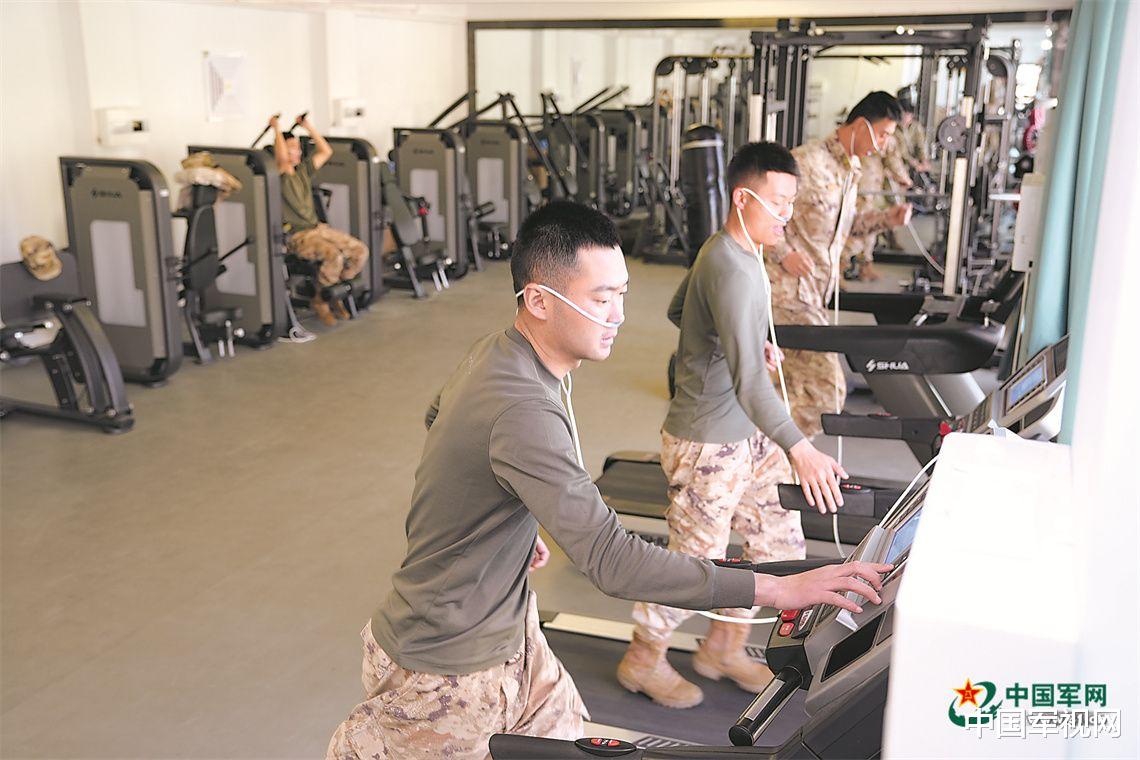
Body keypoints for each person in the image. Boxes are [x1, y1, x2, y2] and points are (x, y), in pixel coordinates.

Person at [325, 201, 892, 759]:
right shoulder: (521, 406)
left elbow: (439, 418)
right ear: (539, 301)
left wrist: (514, 519)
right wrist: (777, 589)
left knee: (568, 740)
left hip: (513, 636)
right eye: (601, 299)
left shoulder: (500, 352)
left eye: (622, 294)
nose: (618, 315)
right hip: (447, 668)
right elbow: (612, 561)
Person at [618, 143, 849, 709]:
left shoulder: (730, 250)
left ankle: (723, 647)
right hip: (708, 443)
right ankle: (642, 659)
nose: (788, 215)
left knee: (777, 538)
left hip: (746, 436)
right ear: (743, 198)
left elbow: (680, 311)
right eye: (779, 202)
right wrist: (801, 449)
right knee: (696, 564)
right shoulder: (733, 270)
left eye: (792, 202)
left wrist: (741, 340)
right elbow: (750, 386)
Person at [765, 91, 913, 440]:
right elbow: (759, 213)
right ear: (861, 126)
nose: (884, 146)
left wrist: (886, 220)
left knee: (788, 386)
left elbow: (845, 227)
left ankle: (771, 456)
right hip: (784, 293)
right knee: (826, 390)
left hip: (816, 294)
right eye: (882, 135)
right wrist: (783, 252)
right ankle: (781, 455)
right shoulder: (805, 162)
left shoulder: (851, 170)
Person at [270, 113, 368, 326]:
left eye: (298, 147)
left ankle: (331, 293)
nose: (297, 151)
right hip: (298, 236)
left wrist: (307, 126)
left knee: (360, 252)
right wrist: (276, 128)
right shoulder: (281, 174)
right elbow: (282, 159)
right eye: (292, 148)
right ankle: (321, 301)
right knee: (334, 256)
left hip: (318, 229)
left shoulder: (303, 170)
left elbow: (326, 151)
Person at [842, 132, 912, 281]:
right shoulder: (884, 134)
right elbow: (893, 159)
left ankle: (863, 265)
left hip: (859, 182)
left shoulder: (863, 130)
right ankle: (841, 268)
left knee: (861, 226)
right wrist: (904, 179)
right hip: (866, 186)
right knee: (862, 228)